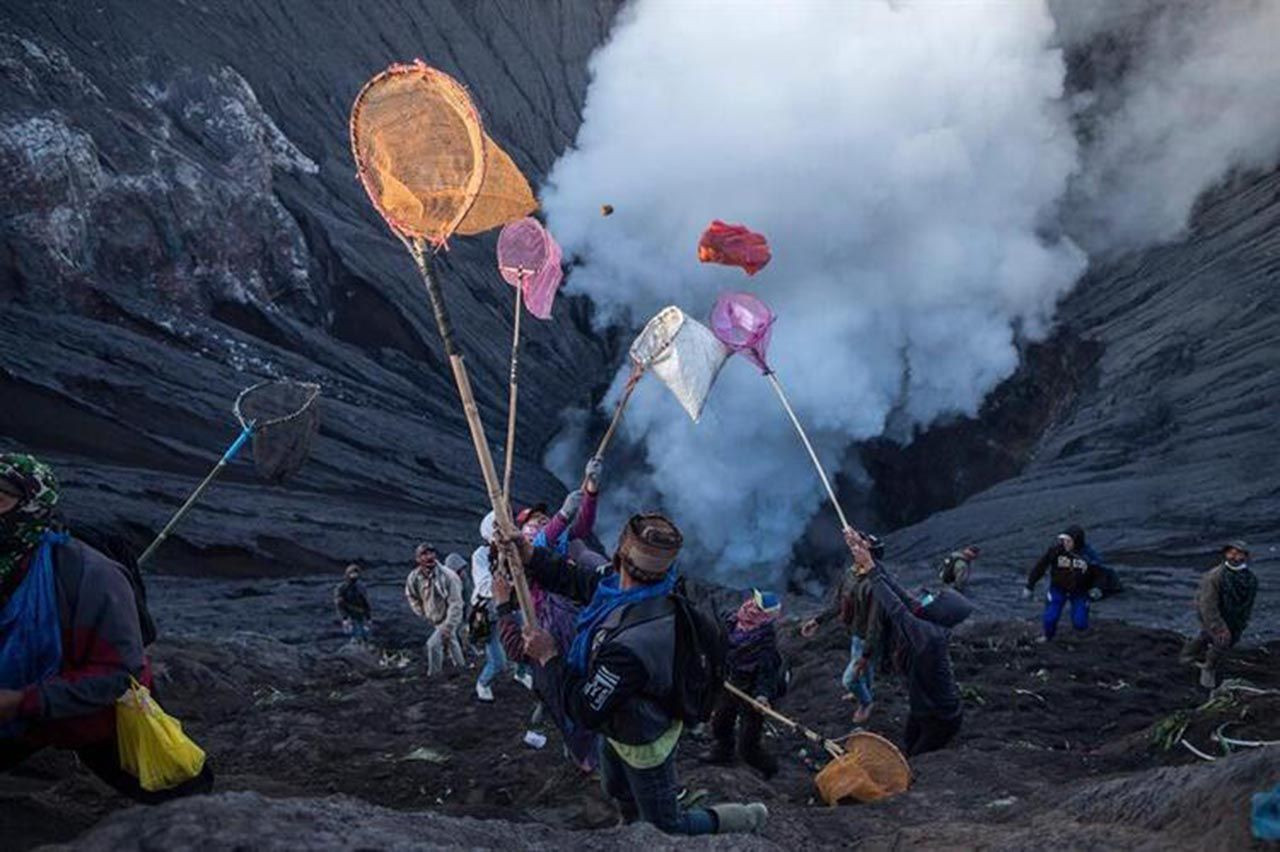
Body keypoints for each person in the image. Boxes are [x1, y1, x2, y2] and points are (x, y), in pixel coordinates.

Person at [511, 512, 768, 836]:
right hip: (618, 724)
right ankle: (630, 828)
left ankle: (746, 819)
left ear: (620, 555)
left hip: (643, 738)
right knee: (615, 786)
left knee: (667, 824)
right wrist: (530, 555)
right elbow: (580, 581)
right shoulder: (635, 587)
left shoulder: (634, 645)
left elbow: (584, 709)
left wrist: (548, 656)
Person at [0, 452, 213, 802]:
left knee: (185, 795)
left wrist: (23, 700)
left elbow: (117, 671)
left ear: (32, 506)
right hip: (16, 716)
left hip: (93, 716)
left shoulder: (89, 575)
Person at [848, 529, 964, 757]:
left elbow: (896, 608)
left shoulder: (928, 635)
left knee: (917, 758)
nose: (929, 600)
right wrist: (864, 551)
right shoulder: (928, 620)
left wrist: (870, 569)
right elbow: (897, 590)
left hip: (942, 717)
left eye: (937, 600)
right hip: (922, 708)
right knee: (908, 747)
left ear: (942, 613)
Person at [800, 534, 883, 724]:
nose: (856, 549)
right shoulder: (851, 574)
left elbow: (874, 623)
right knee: (866, 669)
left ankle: (866, 702)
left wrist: (866, 653)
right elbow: (839, 603)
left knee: (850, 679)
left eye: (863, 547)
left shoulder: (875, 585)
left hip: (867, 637)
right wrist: (818, 621)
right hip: (855, 632)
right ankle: (864, 691)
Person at [704, 589, 785, 778]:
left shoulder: (766, 646)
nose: (749, 607)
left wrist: (762, 696)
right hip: (730, 683)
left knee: (748, 745)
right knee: (720, 722)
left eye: (757, 607)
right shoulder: (732, 622)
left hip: (750, 694)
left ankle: (769, 769)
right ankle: (723, 751)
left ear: (765, 616)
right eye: (751, 602)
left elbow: (767, 675)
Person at [1180, 540, 1258, 689]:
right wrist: (1217, 624)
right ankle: (1209, 668)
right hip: (1213, 612)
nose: (1234, 557)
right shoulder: (1215, 576)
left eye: (1238, 553)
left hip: (1234, 615)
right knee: (1221, 638)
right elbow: (1207, 604)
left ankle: (1187, 655)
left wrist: (1243, 619)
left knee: (1211, 636)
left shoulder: (1250, 578)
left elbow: (1248, 601)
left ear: (1245, 556)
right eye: (1231, 553)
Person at [1024, 526, 1101, 641]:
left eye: (1068, 541)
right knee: (1050, 618)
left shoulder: (1089, 555)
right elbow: (1040, 567)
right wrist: (1030, 586)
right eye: (1064, 540)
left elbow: (1100, 572)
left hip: (1079, 591)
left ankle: (1082, 624)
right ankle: (1048, 637)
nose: (1065, 543)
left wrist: (1097, 587)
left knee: (1080, 624)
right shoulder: (1056, 551)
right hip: (1058, 589)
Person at [404, 542, 465, 676]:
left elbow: (456, 603)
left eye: (431, 553)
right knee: (451, 641)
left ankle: (434, 675)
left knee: (432, 645)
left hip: (449, 617)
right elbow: (411, 595)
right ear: (418, 559)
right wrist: (422, 612)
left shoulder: (448, 576)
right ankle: (461, 668)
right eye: (424, 554)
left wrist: (448, 625)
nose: (429, 557)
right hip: (434, 618)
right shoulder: (414, 577)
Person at [469, 523, 507, 703]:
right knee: (498, 662)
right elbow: (484, 586)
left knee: (526, 645)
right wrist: (506, 586)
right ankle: (483, 683)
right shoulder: (481, 555)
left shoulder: (510, 552)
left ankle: (523, 673)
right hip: (488, 613)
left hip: (509, 607)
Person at [334, 563, 372, 643]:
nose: (354, 576)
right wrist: (344, 617)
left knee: (364, 635)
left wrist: (368, 617)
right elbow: (339, 603)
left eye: (356, 574)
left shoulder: (360, 587)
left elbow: (366, 602)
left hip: (360, 616)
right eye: (352, 574)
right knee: (352, 635)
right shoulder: (341, 588)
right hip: (349, 616)